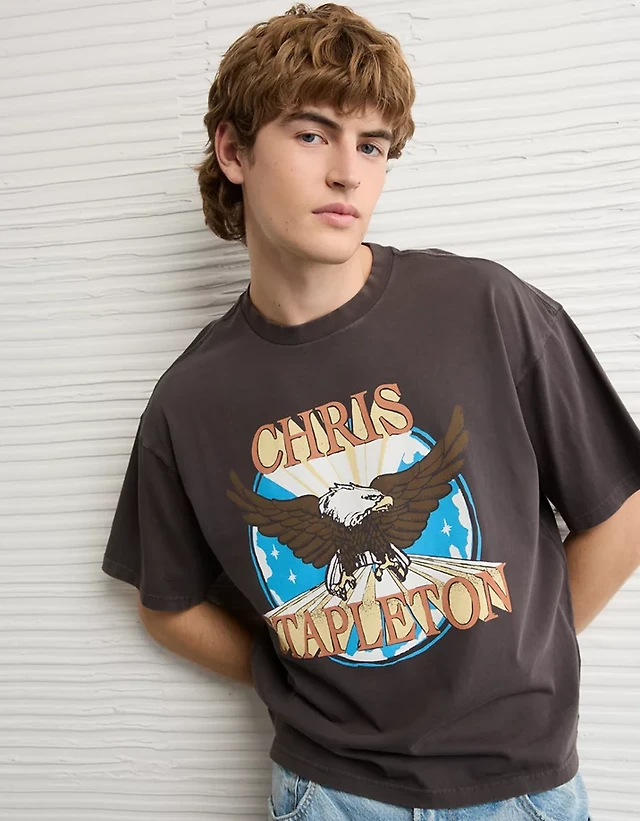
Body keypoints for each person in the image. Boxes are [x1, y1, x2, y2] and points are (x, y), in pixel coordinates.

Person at [101, 4, 640, 819]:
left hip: (521, 786)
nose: (348, 173)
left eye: (372, 145)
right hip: (331, 793)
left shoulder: (483, 306)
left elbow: (621, 511)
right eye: (312, 134)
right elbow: (167, 606)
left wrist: (526, 656)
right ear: (234, 150)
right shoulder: (191, 399)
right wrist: (288, 668)